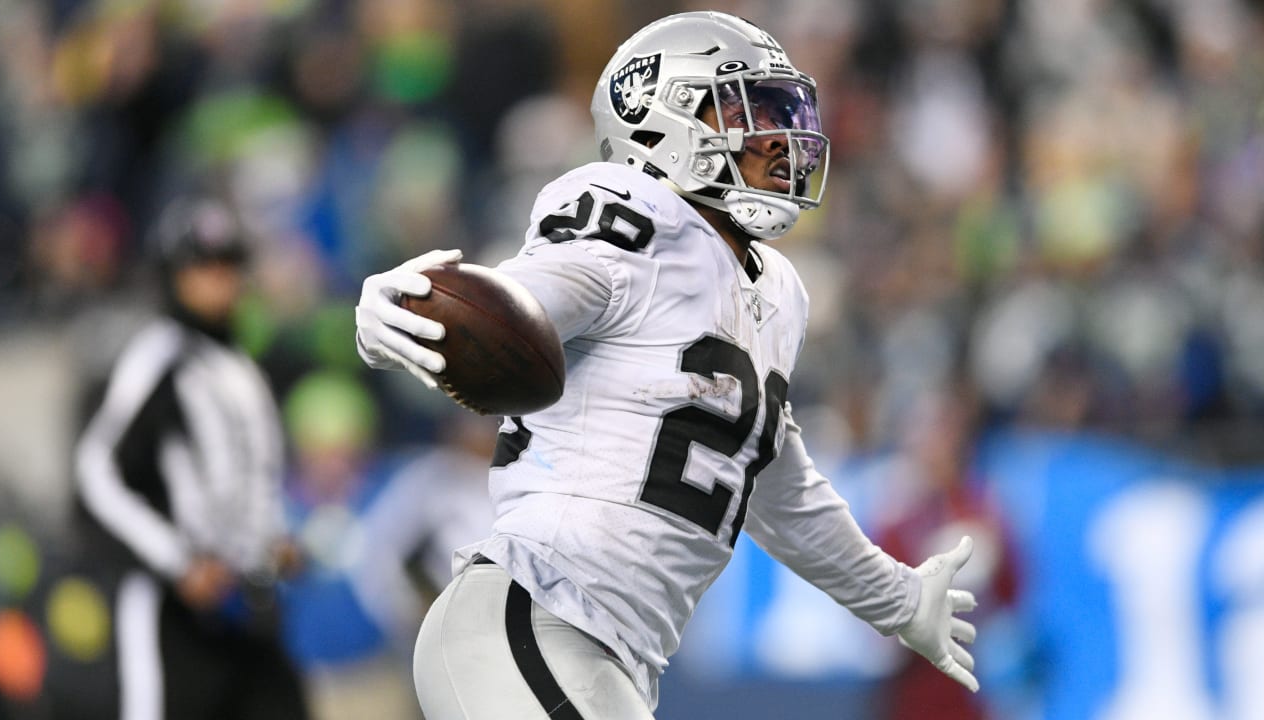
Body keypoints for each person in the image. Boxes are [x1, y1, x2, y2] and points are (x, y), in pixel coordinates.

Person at [355, 11, 978, 719]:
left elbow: (775, 485)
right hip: (535, 612)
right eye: (753, 110)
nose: (780, 138)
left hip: (605, 649)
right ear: (666, 123)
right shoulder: (634, 217)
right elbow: (543, 291)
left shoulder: (774, 291)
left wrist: (898, 598)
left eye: (784, 113)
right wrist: (420, 309)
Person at [74, 196, 311, 720]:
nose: (219, 281)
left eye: (229, 265)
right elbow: (96, 470)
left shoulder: (240, 365)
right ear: (172, 276)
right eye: (202, 266)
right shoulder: (158, 356)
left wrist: (273, 538)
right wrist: (178, 560)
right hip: (174, 612)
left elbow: (254, 477)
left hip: (251, 602)